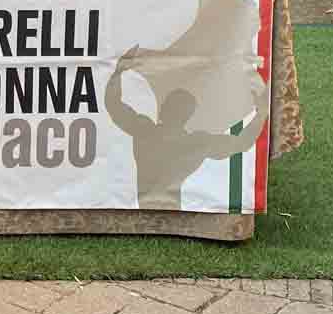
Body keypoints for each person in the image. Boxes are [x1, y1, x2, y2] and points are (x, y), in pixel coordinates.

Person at [106, 46, 269, 210]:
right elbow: (241, 143)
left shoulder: (145, 130)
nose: (164, 108)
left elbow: (113, 105)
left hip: (153, 207)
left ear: (166, 109)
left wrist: (119, 72)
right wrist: (261, 114)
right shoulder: (195, 143)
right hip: (169, 208)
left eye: (170, 105)